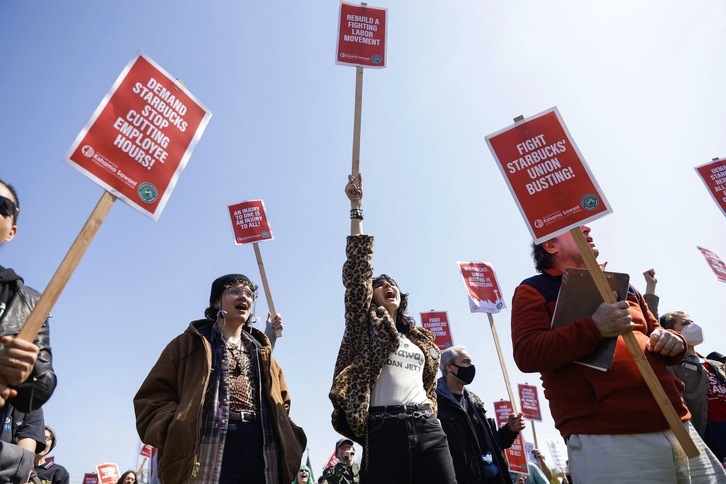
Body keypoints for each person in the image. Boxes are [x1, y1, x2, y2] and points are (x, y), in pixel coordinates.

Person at [510, 224, 723, 482]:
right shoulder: (534, 290)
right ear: (550, 245)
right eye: (575, 229)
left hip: (677, 420)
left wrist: (673, 341)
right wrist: (594, 328)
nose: (587, 229)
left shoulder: (626, 286)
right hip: (607, 435)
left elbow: (655, 331)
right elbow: (527, 353)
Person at [329, 174, 457, 483]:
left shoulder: (420, 339)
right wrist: (356, 208)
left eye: (393, 285)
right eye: (381, 285)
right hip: (384, 429)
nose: (389, 287)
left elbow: (429, 387)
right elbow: (357, 272)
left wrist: (434, 419)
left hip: (427, 426)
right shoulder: (363, 325)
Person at [134, 273, 306, 484]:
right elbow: (151, 399)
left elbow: (282, 403)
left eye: (249, 293)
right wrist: (177, 427)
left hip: (262, 450)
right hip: (206, 448)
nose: (244, 296)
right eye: (234, 291)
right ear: (216, 302)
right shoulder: (187, 346)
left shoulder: (262, 353)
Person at [0, 178, 58, 484]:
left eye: (2, 206)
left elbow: (42, 384)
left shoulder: (27, 304)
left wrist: (24, 374)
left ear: (12, 231)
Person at [436, 345, 525, 484]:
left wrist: (510, 430)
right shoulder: (435, 402)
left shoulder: (475, 402)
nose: (471, 366)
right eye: (466, 362)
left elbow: (492, 444)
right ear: (449, 367)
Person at [660, 310, 726, 466]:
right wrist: (651, 287)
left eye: (691, 322)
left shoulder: (714, 364)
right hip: (711, 429)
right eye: (684, 323)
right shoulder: (673, 364)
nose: (692, 326)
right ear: (672, 332)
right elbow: (650, 333)